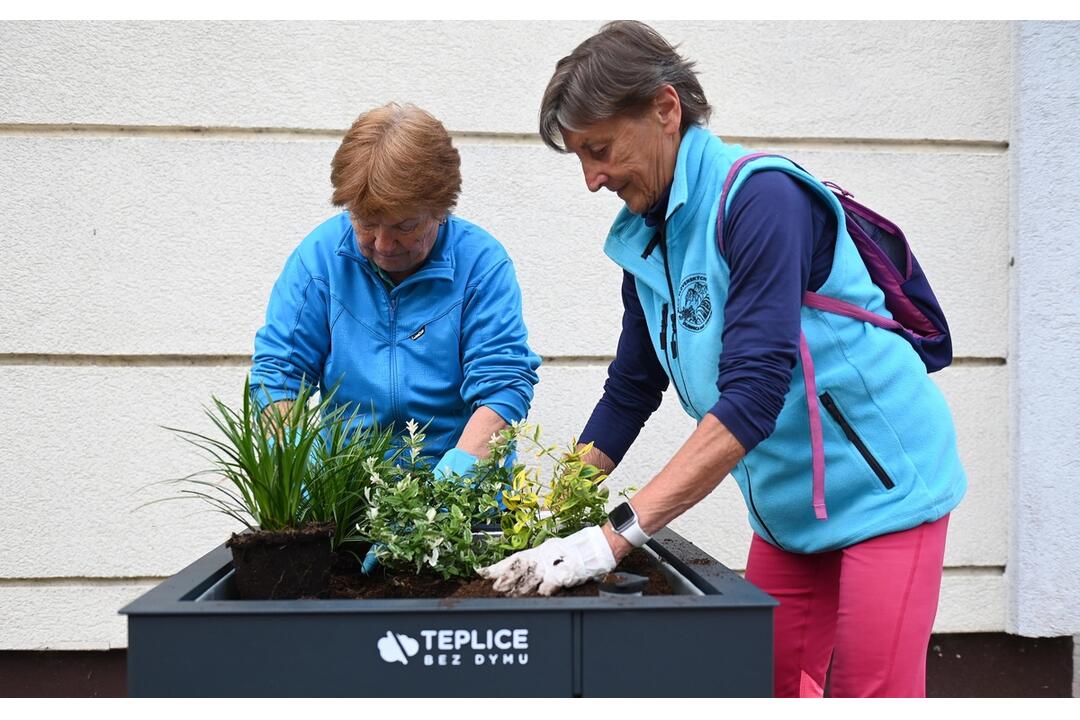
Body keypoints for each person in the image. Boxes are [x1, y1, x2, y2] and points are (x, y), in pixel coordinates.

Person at [479, 21, 966, 698]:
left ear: (665, 109)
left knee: (869, 693)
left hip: (888, 490)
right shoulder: (647, 240)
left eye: (600, 150)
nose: (592, 180)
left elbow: (752, 399)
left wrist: (611, 539)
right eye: (579, 159)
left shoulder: (761, 199)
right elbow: (629, 392)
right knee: (752, 684)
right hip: (792, 510)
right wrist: (546, 513)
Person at [250, 102, 541, 493]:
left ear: (441, 209)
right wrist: (306, 484)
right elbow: (279, 377)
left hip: (463, 497)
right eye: (366, 223)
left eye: (405, 225)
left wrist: (448, 491)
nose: (384, 245)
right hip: (351, 493)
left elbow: (502, 388)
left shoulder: (481, 264)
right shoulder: (319, 260)